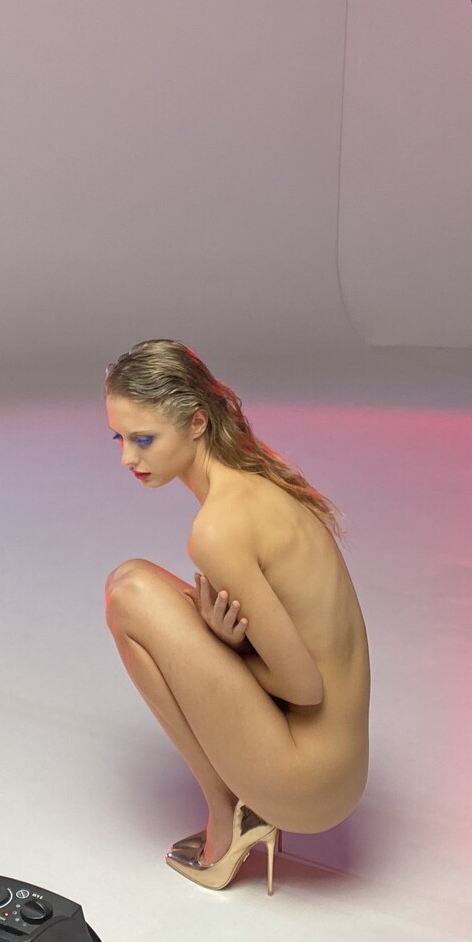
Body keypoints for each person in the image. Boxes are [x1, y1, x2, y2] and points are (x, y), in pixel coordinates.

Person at [103, 338, 370, 893]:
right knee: (134, 583)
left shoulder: (218, 530)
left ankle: (228, 816)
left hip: (308, 782)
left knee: (128, 593)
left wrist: (228, 647)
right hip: (341, 772)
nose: (127, 458)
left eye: (143, 439)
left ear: (197, 423)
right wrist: (230, 644)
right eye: (120, 438)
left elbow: (304, 688)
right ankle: (236, 808)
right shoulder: (257, 481)